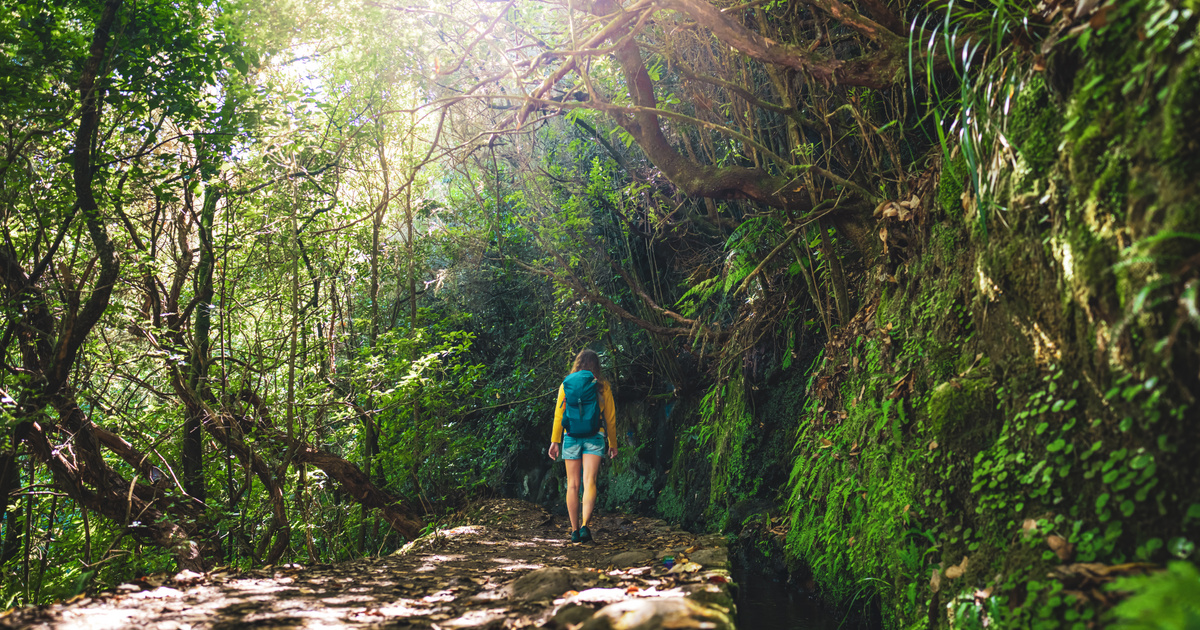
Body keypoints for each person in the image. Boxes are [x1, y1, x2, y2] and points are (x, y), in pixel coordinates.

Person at [547, 349, 618, 543]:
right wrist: (613, 443)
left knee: (572, 485)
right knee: (589, 482)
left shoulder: (566, 384)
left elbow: (559, 415)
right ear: (597, 366)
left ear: (577, 364)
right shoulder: (602, 386)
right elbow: (610, 419)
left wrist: (555, 441)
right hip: (595, 436)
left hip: (570, 437)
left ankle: (574, 530)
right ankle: (586, 525)